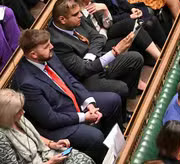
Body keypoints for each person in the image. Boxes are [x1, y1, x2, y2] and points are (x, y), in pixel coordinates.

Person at [13, 29, 122, 162]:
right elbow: (49, 119)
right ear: (33, 54)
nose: (52, 46)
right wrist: (84, 117)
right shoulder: (27, 83)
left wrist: (89, 104)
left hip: (70, 102)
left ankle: (115, 148)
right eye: (46, 46)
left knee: (113, 100)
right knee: (95, 136)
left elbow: (70, 79)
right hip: (54, 125)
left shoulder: (49, 56)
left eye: (49, 43)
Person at [0, 88, 95, 164]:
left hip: (45, 154)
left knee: (84, 160)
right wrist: (51, 162)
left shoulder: (18, 117)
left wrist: (52, 144)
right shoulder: (2, 138)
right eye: (19, 111)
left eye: (22, 108)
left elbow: (34, 136)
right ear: (7, 114)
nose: (23, 112)